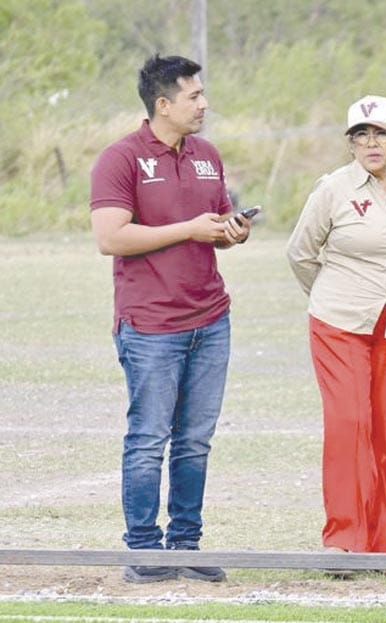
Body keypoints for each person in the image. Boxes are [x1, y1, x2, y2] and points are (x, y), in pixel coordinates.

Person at [90, 54, 254, 584]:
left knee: (195, 440)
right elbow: (110, 238)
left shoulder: (208, 155)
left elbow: (212, 225)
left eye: (203, 94)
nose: (204, 104)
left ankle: (186, 544)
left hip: (211, 320)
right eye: (194, 97)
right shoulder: (121, 159)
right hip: (151, 326)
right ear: (163, 104)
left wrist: (230, 231)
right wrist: (188, 228)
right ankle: (143, 550)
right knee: (148, 438)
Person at [286, 95, 386, 558]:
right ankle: (344, 539)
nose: (372, 143)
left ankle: (382, 544)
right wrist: (335, 294)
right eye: (361, 135)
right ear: (350, 143)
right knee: (350, 424)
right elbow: (300, 253)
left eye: (381, 134)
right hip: (339, 324)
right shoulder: (333, 189)